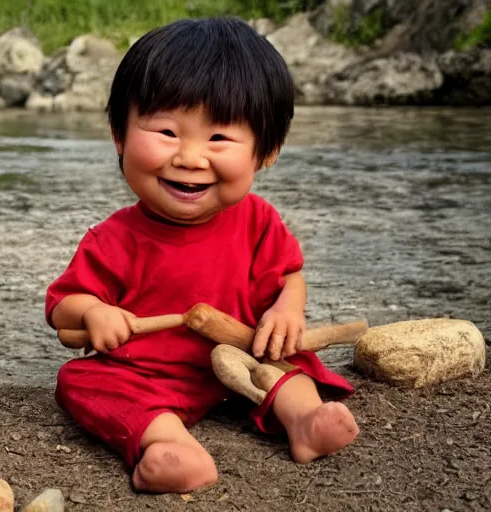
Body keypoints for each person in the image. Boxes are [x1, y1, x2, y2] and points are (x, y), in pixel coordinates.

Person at [45, 18, 359, 494]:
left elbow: (289, 274)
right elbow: (64, 312)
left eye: (218, 139)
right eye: (167, 131)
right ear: (119, 135)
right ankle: (170, 445)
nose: (191, 157)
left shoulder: (258, 221)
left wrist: (287, 308)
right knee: (81, 381)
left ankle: (304, 422)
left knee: (290, 361)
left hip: (244, 352)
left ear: (266, 151)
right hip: (147, 373)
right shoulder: (113, 239)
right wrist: (95, 311)